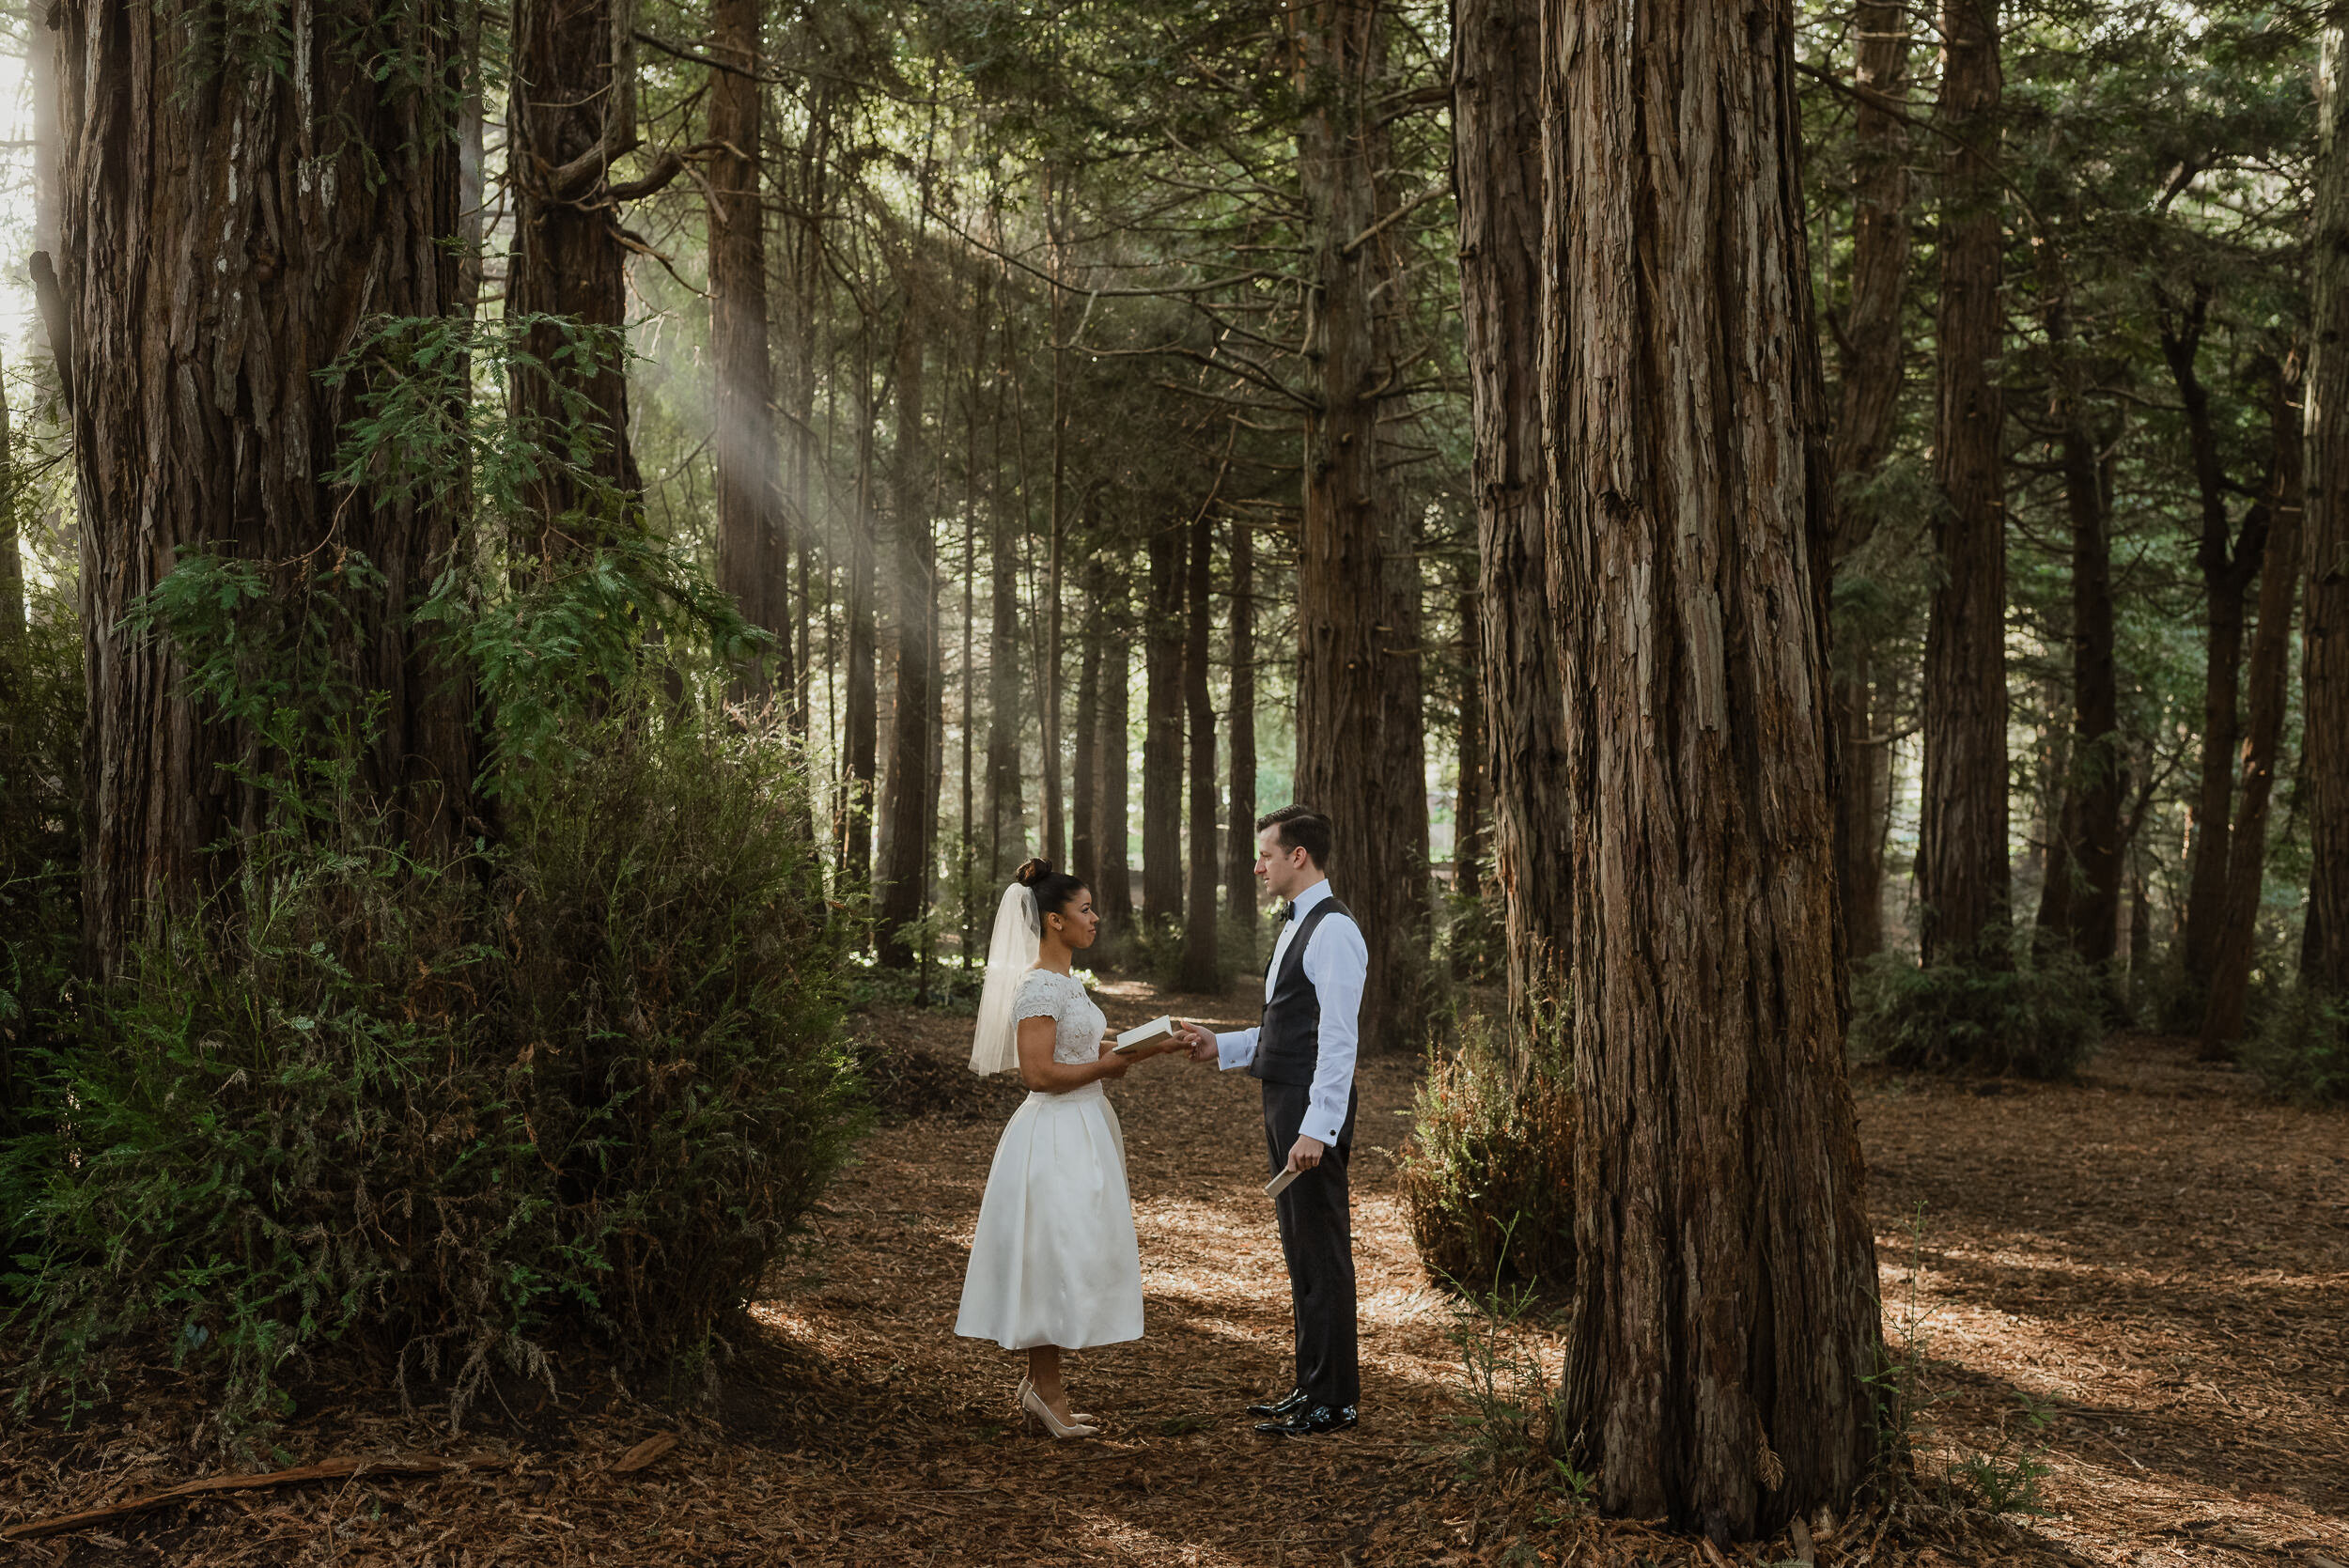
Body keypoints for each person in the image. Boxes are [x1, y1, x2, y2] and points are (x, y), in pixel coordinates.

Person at [955, 858, 1184, 1438]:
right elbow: (1037, 1071)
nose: (1095, 918)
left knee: (1071, 1252)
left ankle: (1042, 1386)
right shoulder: (1037, 986)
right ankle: (1047, 1392)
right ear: (1054, 921)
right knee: (1051, 1255)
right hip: (1053, 1135)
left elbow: (1077, 1042)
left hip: (1084, 1127)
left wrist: (1144, 1046)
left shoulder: (1065, 984)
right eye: (1085, 910)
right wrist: (1110, 1064)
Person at [1175, 804, 1365, 1437]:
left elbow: (1339, 1040)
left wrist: (1319, 1126)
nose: (1258, 866)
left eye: (1266, 853)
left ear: (1299, 856)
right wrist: (1221, 1046)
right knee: (1300, 1251)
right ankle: (1309, 1384)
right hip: (1284, 1100)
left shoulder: (1334, 931)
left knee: (1323, 1251)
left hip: (1309, 1109)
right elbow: (1289, 1025)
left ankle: (1335, 1398)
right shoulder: (1297, 927)